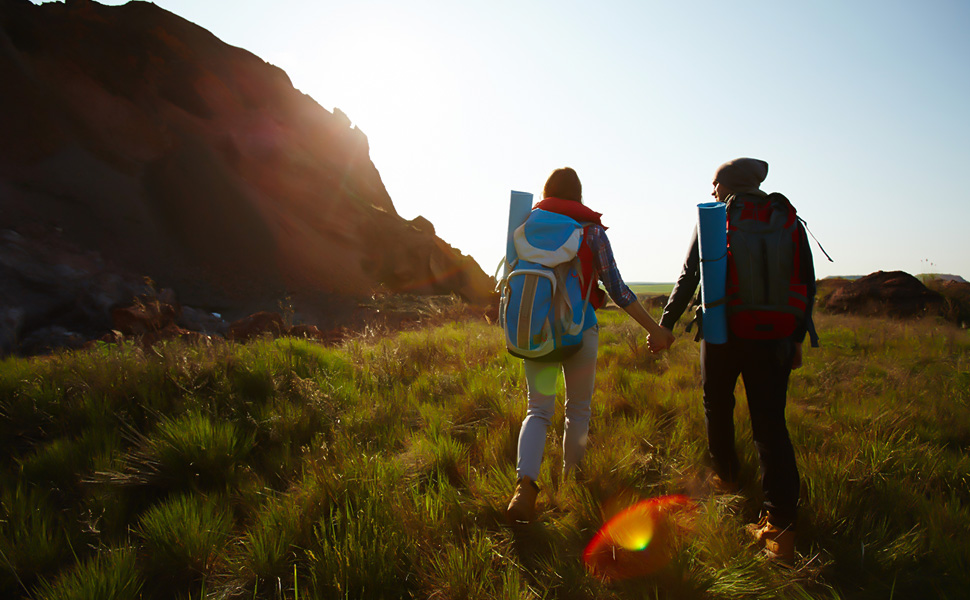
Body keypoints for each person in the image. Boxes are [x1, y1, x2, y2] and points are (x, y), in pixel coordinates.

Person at [649, 158, 816, 563]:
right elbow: (806, 281)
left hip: (724, 332)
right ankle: (780, 527)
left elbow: (689, 275)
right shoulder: (787, 220)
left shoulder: (715, 218)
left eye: (715, 184)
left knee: (717, 405)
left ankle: (726, 480)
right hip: (774, 337)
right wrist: (795, 337)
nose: (711, 192)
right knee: (770, 423)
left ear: (727, 185)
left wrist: (665, 325)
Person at [506, 167, 674, 523]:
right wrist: (656, 329)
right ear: (579, 196)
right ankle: (573, 484)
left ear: (547, 193)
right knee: (577, 411)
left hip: (535, 334)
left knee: (537, 410)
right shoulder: (591, 232)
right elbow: (618, 289)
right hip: (580, 333)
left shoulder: (524, 226)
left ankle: (525, 486)